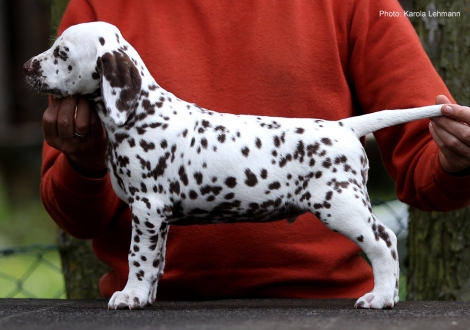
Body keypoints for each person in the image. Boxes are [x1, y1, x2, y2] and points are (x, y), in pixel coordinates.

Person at [41, 0, 470, 300]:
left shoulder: (360, 2)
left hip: (329, 308)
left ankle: (384, 269)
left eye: (58, 56)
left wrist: (456, 159)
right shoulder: (96, 18)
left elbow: (424, 163)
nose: (41, 63)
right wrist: (84, 159)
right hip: (158, 312)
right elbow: (75, 215)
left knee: (346, 212)